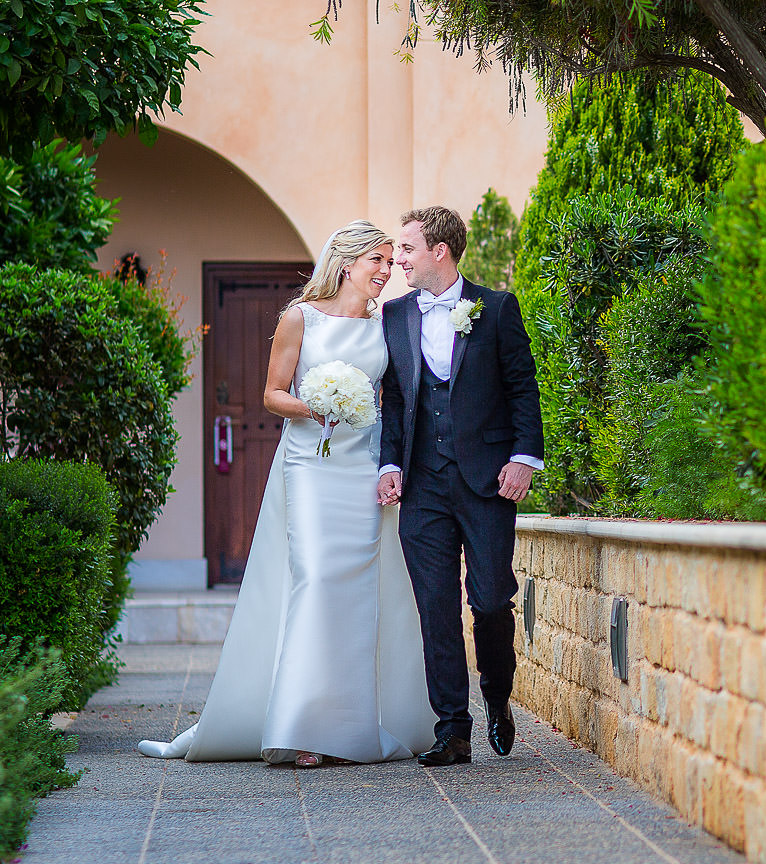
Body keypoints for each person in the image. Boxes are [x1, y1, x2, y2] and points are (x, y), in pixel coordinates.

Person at [138, 221, 435, 766]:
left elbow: (394, 399)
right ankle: (301, 728)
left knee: (360, 591)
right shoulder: (300, 318)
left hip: (363, 467)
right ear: (348, 262)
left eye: (392, 263)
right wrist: (314, 407)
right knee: (316, 580)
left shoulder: (386, 325)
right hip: (311, 465)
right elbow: (273, 395)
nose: (387, 272)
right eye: (379, 261)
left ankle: (348, 729)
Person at [376, 206, 544, 766]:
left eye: (406, 249)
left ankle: (498, 697)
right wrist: (389, 464)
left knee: (492, 600)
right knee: (436, 607)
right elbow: (396, 398)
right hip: (422, 485)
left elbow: (523, 387)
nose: (397, 260)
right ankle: (452, 728)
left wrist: (524, 457)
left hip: (488, 481)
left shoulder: (495, 308)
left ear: (438, 252)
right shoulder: (395, 314)